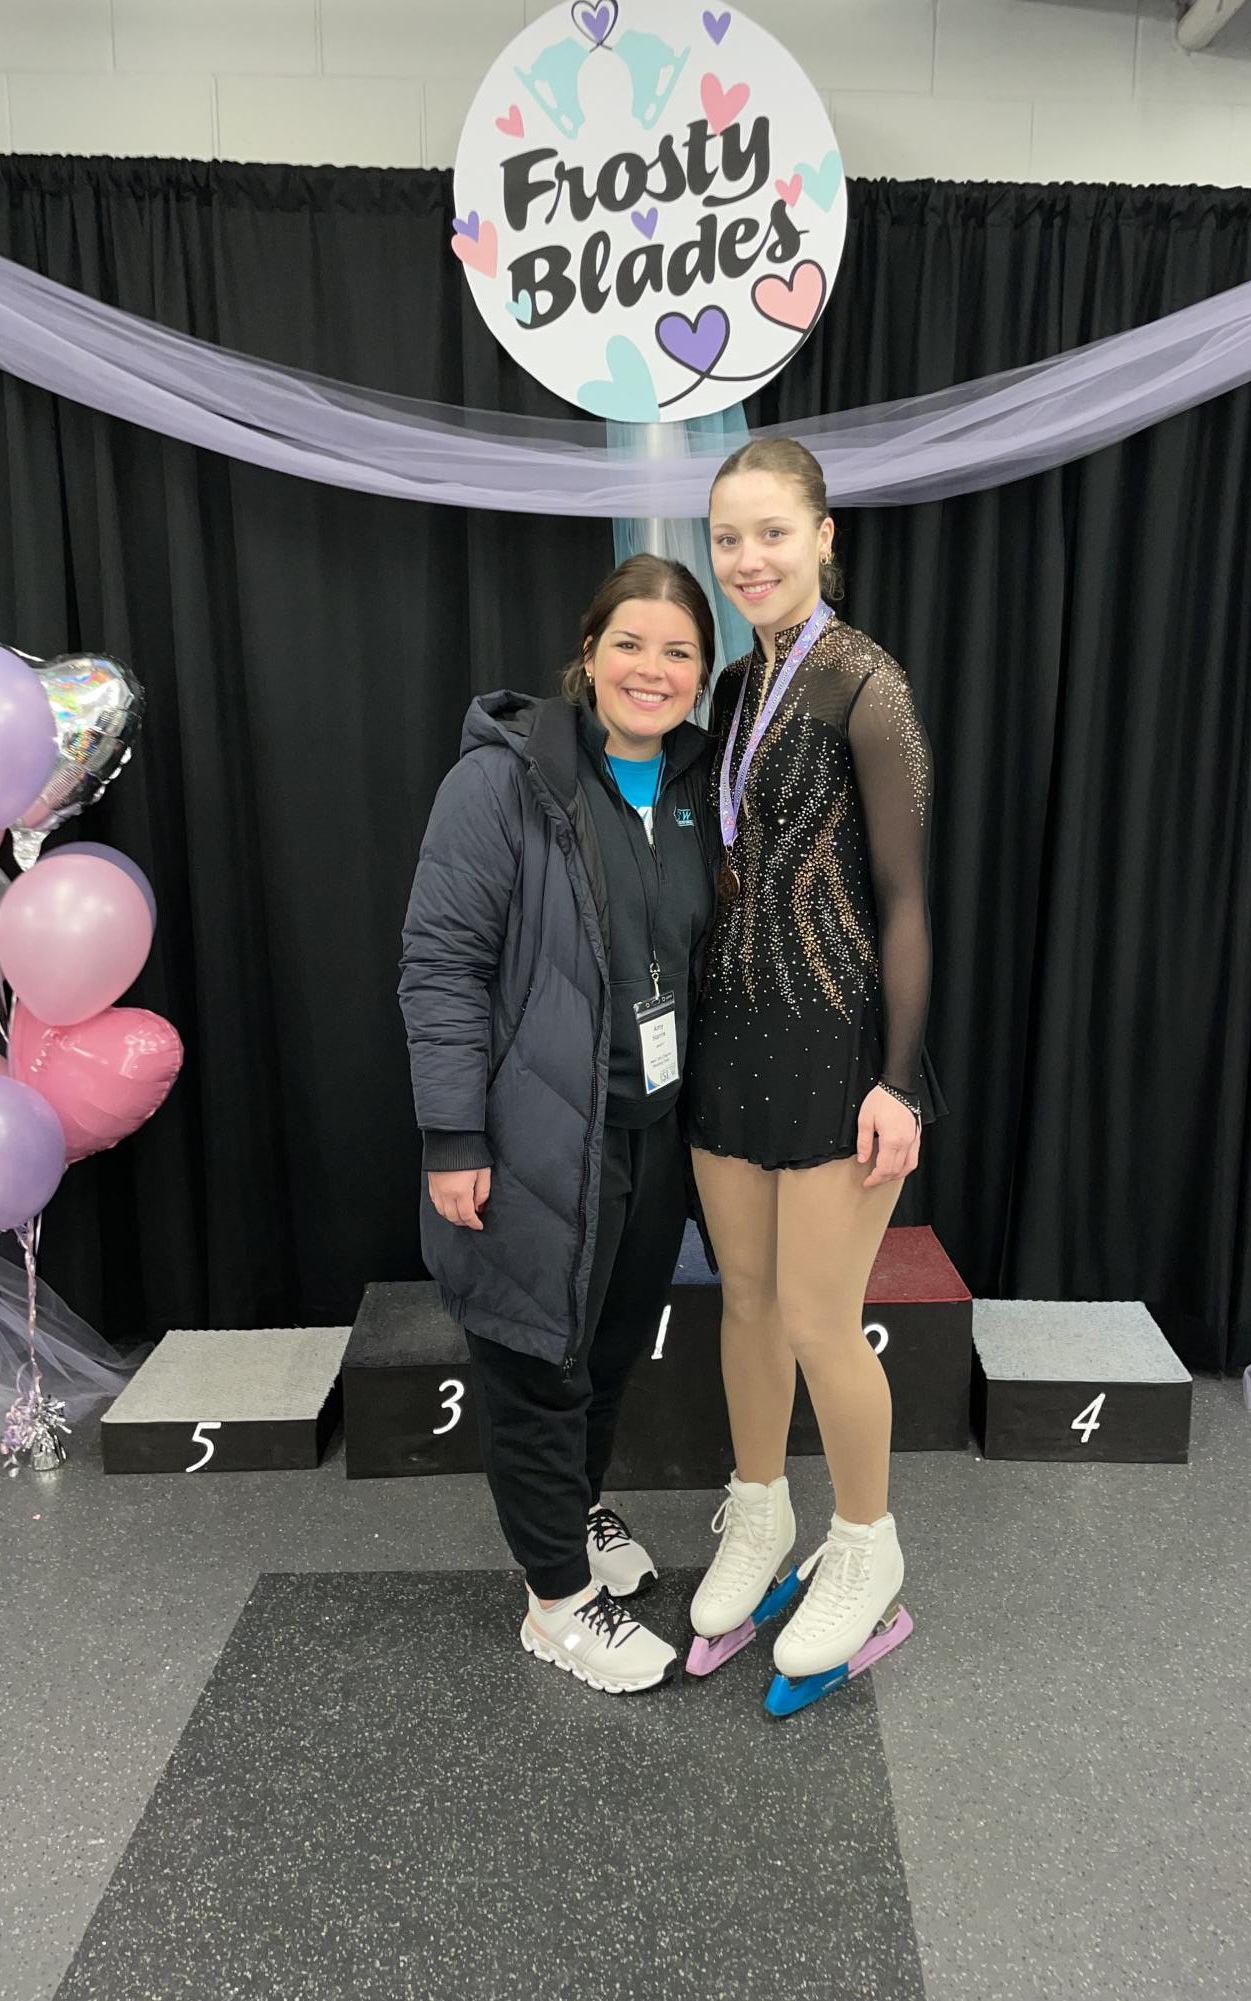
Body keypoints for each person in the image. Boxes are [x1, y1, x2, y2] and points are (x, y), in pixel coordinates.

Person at [399, 554, 717, 1697]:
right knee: (536, 1361)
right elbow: (439, 965)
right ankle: (556, 1604)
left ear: (701, 675)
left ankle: (574, 1514)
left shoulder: (690, 789)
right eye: (631, 642)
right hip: (531, 1136)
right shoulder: (500, 784)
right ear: (587, 653)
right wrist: (451, 1135)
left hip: (648, 1132)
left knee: (606, 1354)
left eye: (679, 651)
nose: (653, 668)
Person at [684, 438, 942, 1714]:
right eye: (728, 537)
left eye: (772, 533)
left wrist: (895, 1078)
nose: (748, 559)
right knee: (742, 1300)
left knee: (816, 1320)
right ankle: (756, 1513)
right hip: (730, 1037)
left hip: (839, 1047)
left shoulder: (865, 685)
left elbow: (902, 900)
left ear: (824, 535)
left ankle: (863, 1546)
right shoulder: (732, 687)